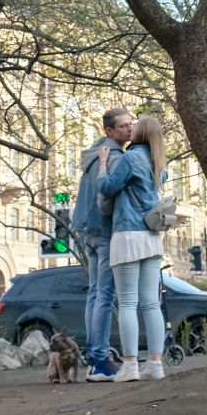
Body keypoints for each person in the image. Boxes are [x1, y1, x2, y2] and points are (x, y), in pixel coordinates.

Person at [96, 112, 169, 382]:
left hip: (128, 234)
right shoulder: (158, 161)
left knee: (127, 302)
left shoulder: (131, 158)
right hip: (152, 236)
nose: (130, 128)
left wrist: (103, 162)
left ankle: (129, 365)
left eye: (134, 126)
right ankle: (155, 363)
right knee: (151, 303)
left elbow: (106, 187)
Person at [72, 106, 132, 380]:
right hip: (105, 229)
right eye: (123, 126)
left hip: (87, 228)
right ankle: (100, 359)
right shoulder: (115, 157)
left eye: (130, 124)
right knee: (105, 296)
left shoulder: (94, 153)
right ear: (109, 131)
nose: (129, 129)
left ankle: (94, 355)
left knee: (95, 294)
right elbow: (104, 196)